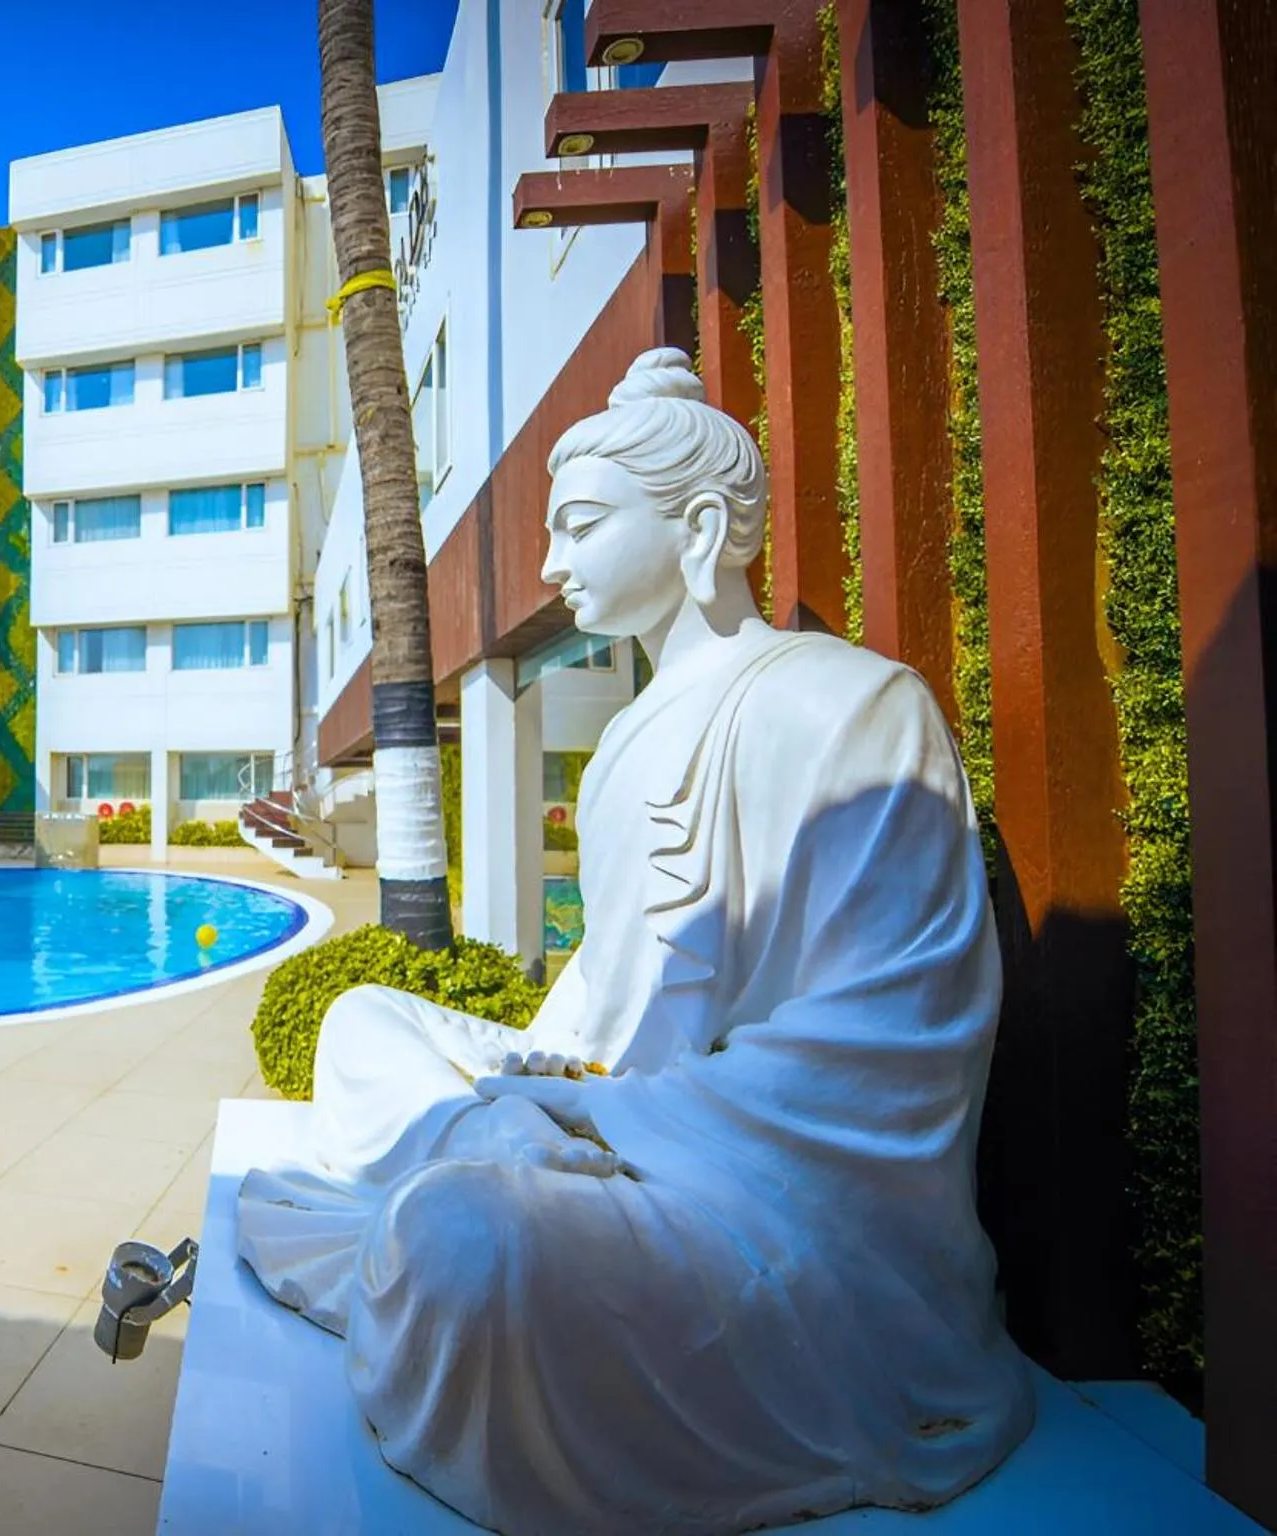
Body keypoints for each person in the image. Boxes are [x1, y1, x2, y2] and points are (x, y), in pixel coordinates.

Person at [237, 349, 1033, 1535]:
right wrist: (529, 1096)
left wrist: (598, 1119)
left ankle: (469, 1184)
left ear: (701, 522)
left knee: (464, 1243)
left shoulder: (856, 708)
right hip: (602, 1120)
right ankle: (481, 1151)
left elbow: (894, 1053)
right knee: (364, 1020)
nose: (553, 564)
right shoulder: (621, 750)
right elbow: (598, 1012)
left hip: (754, 1205)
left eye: (583, 525)